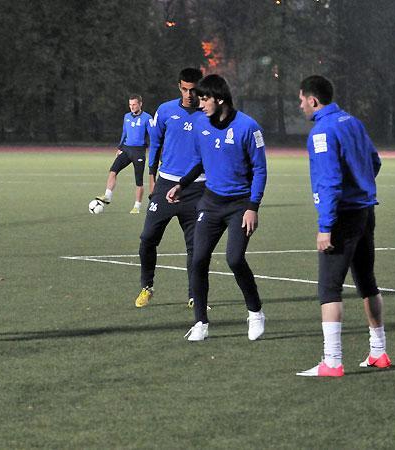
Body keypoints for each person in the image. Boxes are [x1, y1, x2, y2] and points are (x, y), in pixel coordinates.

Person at [295, 75, 390, 377]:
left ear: (313, 100)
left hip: (342, 216)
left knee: (329, 288)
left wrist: (325, 227)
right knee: (367, 282)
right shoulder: (353, 122)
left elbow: (330, 181)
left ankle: (332, 361)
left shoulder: (322, 131)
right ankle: (379, 352)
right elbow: (374, 161)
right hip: (364, 212)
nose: (300, 106)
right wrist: (361, 186)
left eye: (301, 100)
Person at [166, 74, 267, 341]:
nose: (199, 104)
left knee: (234, 259)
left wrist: (253, 207)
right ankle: (200, 322)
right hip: (210, 203)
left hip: (240, 206)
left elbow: (260, 169)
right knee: (198, 259)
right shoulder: (201, 123)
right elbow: (200, 160)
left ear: (219, 99)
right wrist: (182, 184)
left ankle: (255, 312)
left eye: (204, 99)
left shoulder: (248, 127)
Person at [135, 67, 206, 308]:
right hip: (165, 184)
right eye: (185, 89)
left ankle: (195, 296)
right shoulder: (165, 111)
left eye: (193, 90)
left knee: (196, 247)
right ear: (179, 87)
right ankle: (147, 286)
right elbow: (155, 144)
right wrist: (152, 179)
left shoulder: (209, 114)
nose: (189, 95)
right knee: (147, 238)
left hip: (197, 188)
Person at [96, 94, 153, 214]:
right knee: (113, 171)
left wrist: (153, 150)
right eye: (130, 105)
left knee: (139, 181)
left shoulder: (147, 118)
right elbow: (124, 133)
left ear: (140, 104)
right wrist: (120, 147)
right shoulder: (126, 116)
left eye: (134, 104)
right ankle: (108, 196)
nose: (132, 107)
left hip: (138, 152)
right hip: (126, 150)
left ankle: (137, 206)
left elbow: (152, 136)